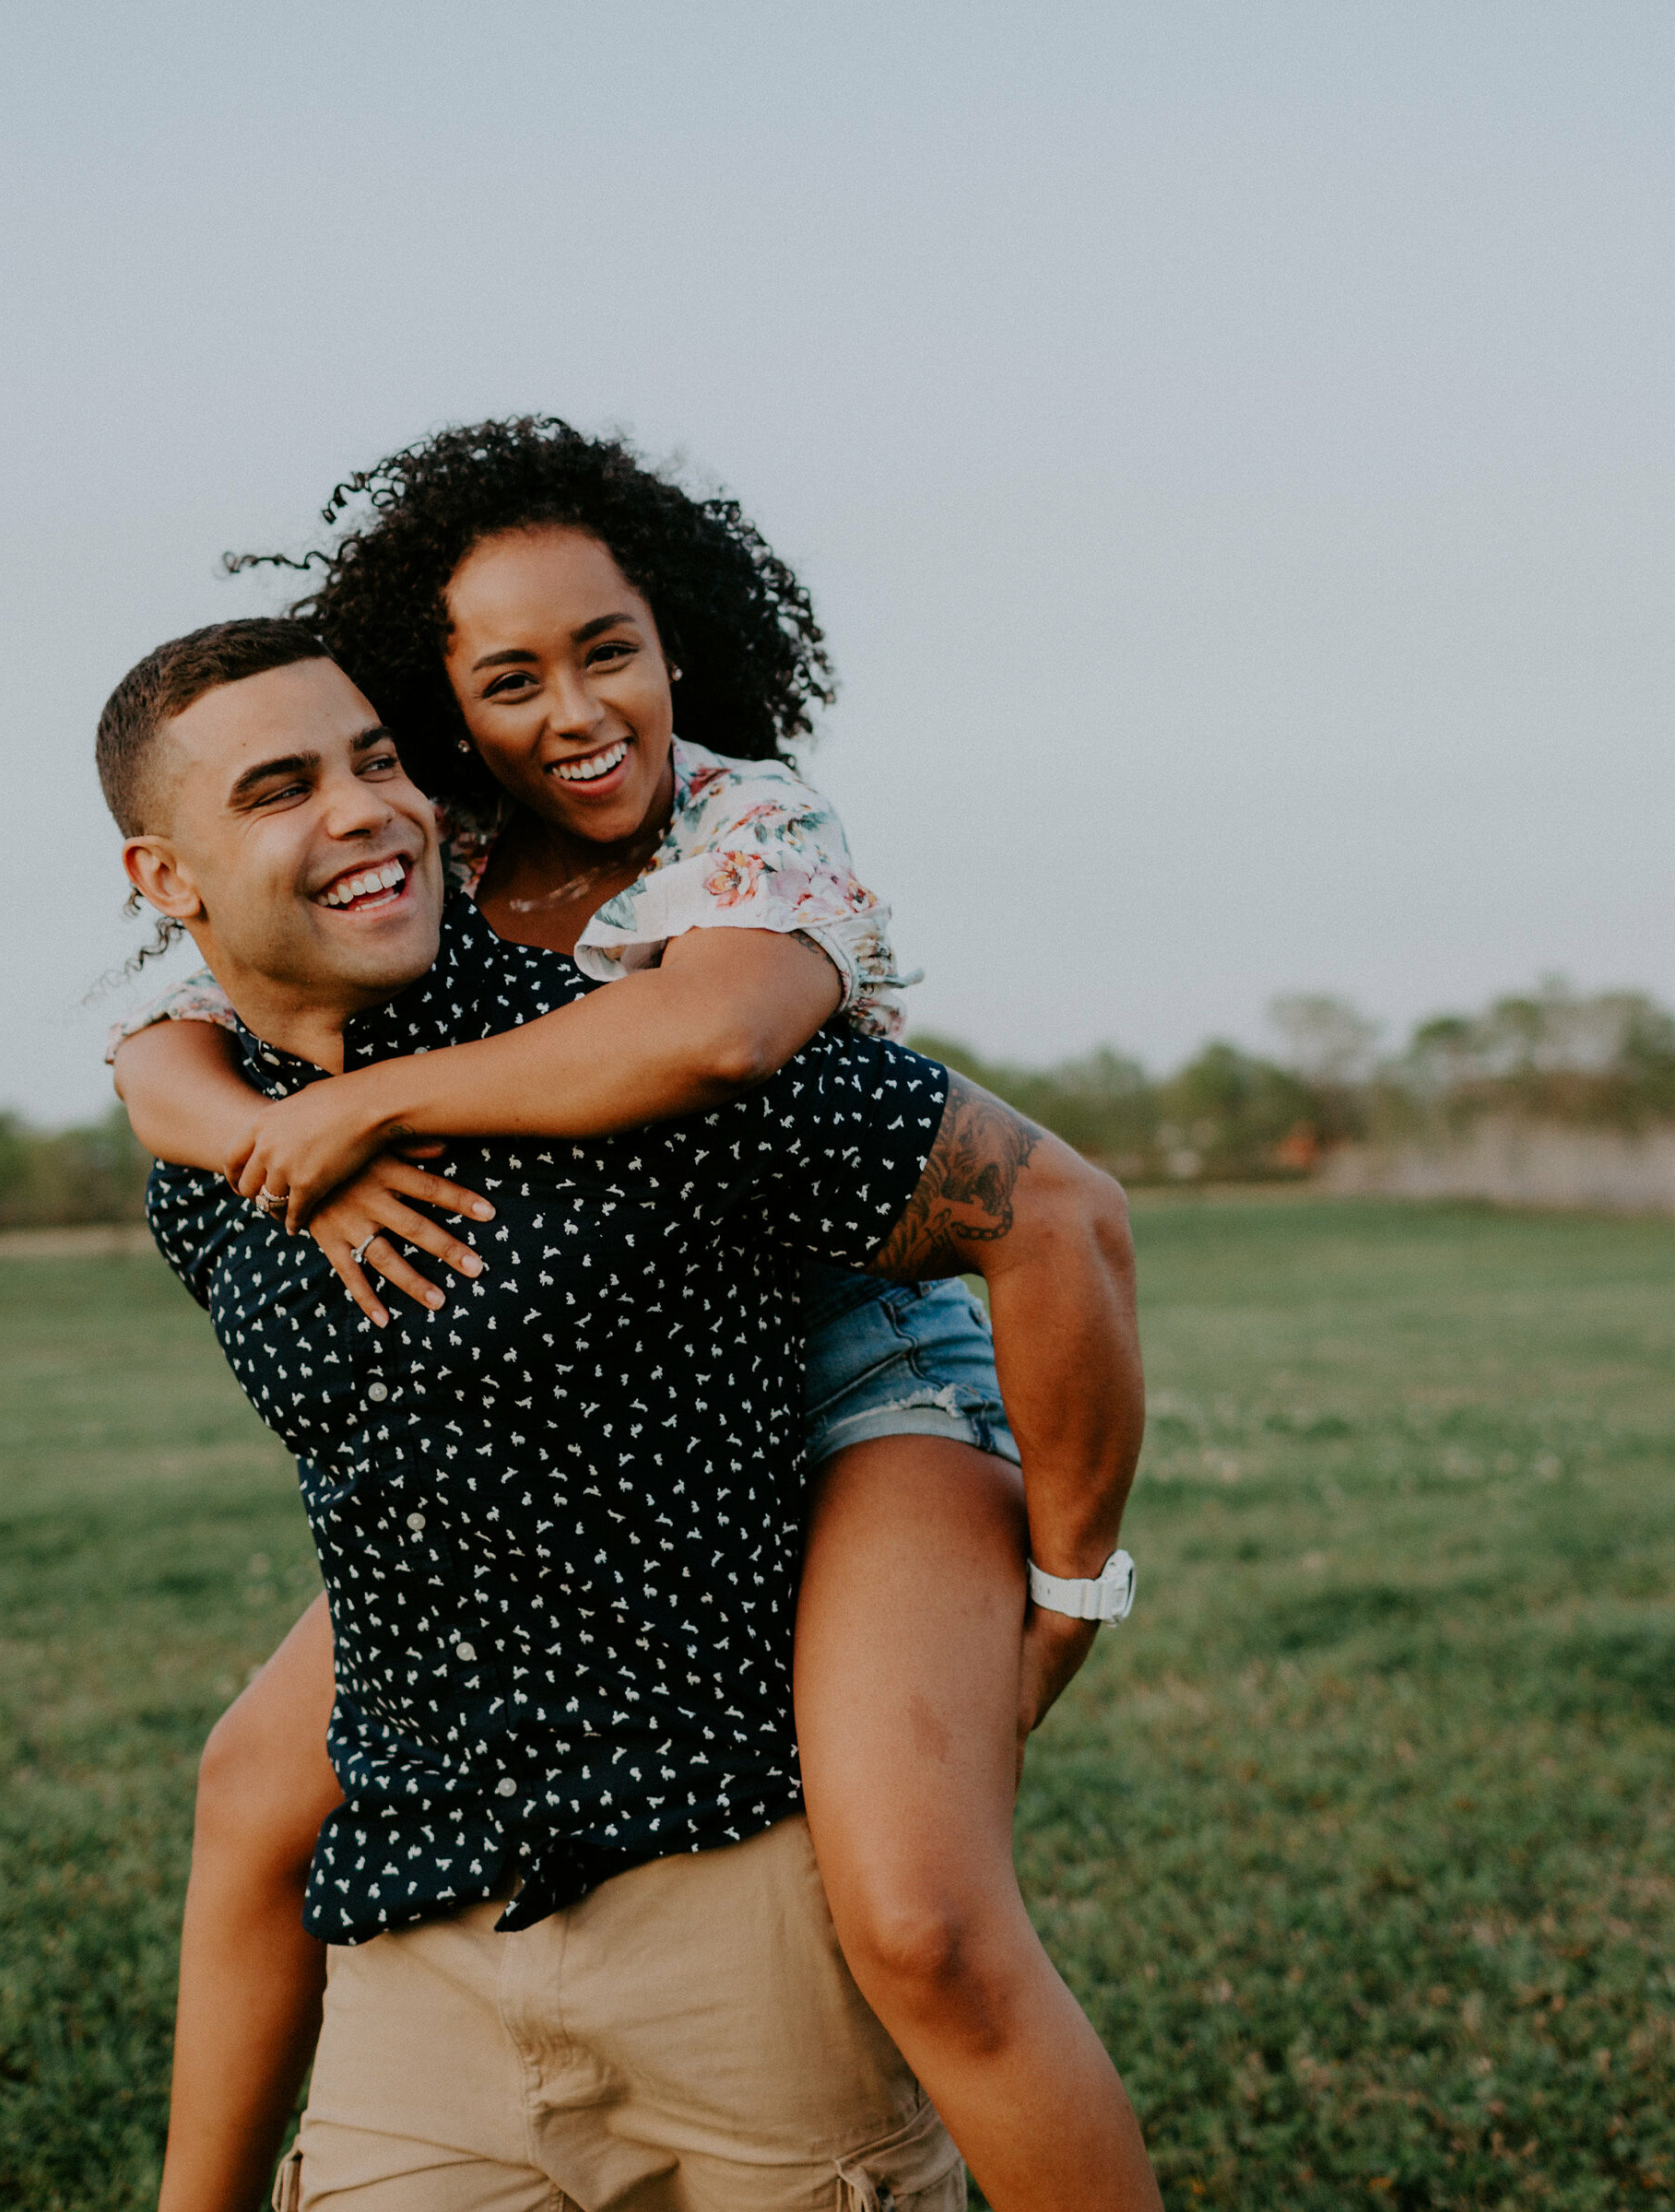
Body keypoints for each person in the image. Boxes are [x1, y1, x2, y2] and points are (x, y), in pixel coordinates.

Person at [112, 424, 1157, 2211]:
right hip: (612, 1396)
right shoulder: (446, 866)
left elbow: (714, 1039)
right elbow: (165, 1052)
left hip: (869, 1340)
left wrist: (1069, 1589)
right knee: (253, 1791)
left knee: (918, 1919)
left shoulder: (747, 828)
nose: (572, 709)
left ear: (678, 644)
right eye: (503, 680)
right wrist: (262, 1129)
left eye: (607, 652)